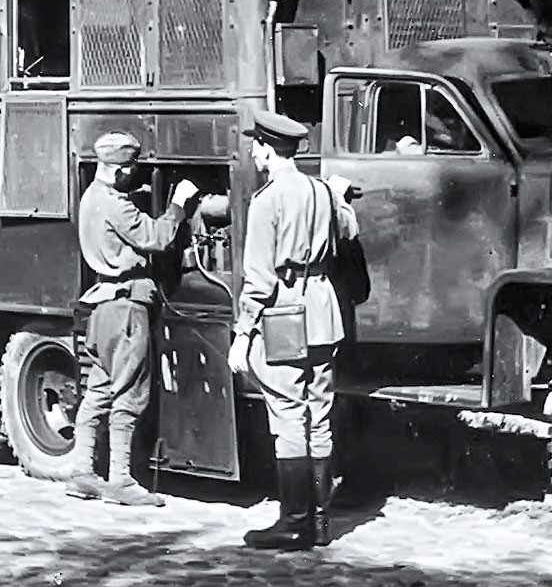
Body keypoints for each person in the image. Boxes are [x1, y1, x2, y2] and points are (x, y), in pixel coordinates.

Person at [228, 110, 360, 551]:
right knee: (319, 417)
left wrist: (243, 333)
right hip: (324, 313)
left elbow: (260, 278)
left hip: (285, 315)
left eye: (255, 145)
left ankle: (293, 522)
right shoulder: (323, 192)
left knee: (287, 415)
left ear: (267, 149)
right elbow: (348, 233)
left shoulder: (267, 201)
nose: (251, 151)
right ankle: (321, 524)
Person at [67, 131, 200, 507]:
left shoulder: (91, 198)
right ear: (121, 170)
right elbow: (157, 237)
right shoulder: (117, 206)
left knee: (98, 392)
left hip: (101, 308)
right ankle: (121, 481)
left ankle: (82, 473)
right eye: (132, 170)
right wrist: (178, 205)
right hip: (127, 311)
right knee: (129, 394)